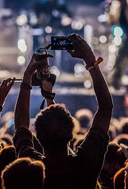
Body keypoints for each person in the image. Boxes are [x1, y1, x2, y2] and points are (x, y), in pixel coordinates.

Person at [13, 33, 113, 189]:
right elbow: (106, 107)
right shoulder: (85, 165)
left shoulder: (32, 167)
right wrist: (90, 61)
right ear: (71, 134)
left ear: (38, 137)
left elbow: (21, 126)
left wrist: (27, 77)